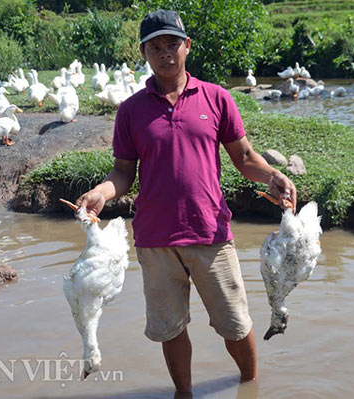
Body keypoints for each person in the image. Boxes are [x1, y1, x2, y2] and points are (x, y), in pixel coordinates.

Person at [75, 9, 296, 396]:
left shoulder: (217, 97)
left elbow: (244, 158)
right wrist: (101, 193)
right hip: (155, 239)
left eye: (172, 44)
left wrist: (273, 175)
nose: (166, 53)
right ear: (143, 52)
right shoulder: (131, 110)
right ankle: (184, 393)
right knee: (170, 328)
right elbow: (123, 172)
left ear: (187, 46)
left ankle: (250, 386)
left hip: (210, 231)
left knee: (236, 323)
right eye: (156, 46)